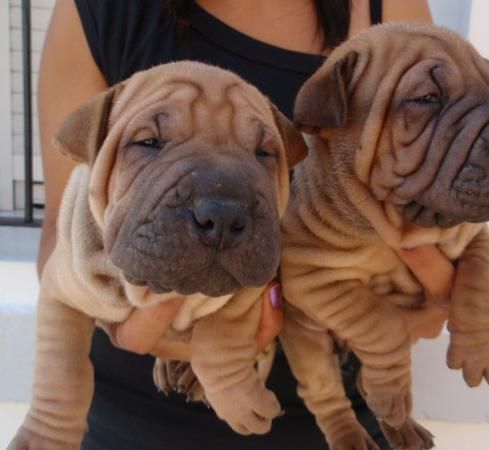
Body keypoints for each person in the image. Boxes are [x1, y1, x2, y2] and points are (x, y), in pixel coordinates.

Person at [37, 1, 446, 448]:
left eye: (263, 152)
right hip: (133, 421)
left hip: (337, 423)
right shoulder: (102, 11)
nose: (214, 211)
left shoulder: (386, 8)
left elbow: (423, 201)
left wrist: (439, 296)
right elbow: (62, 242)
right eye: (151, 143)